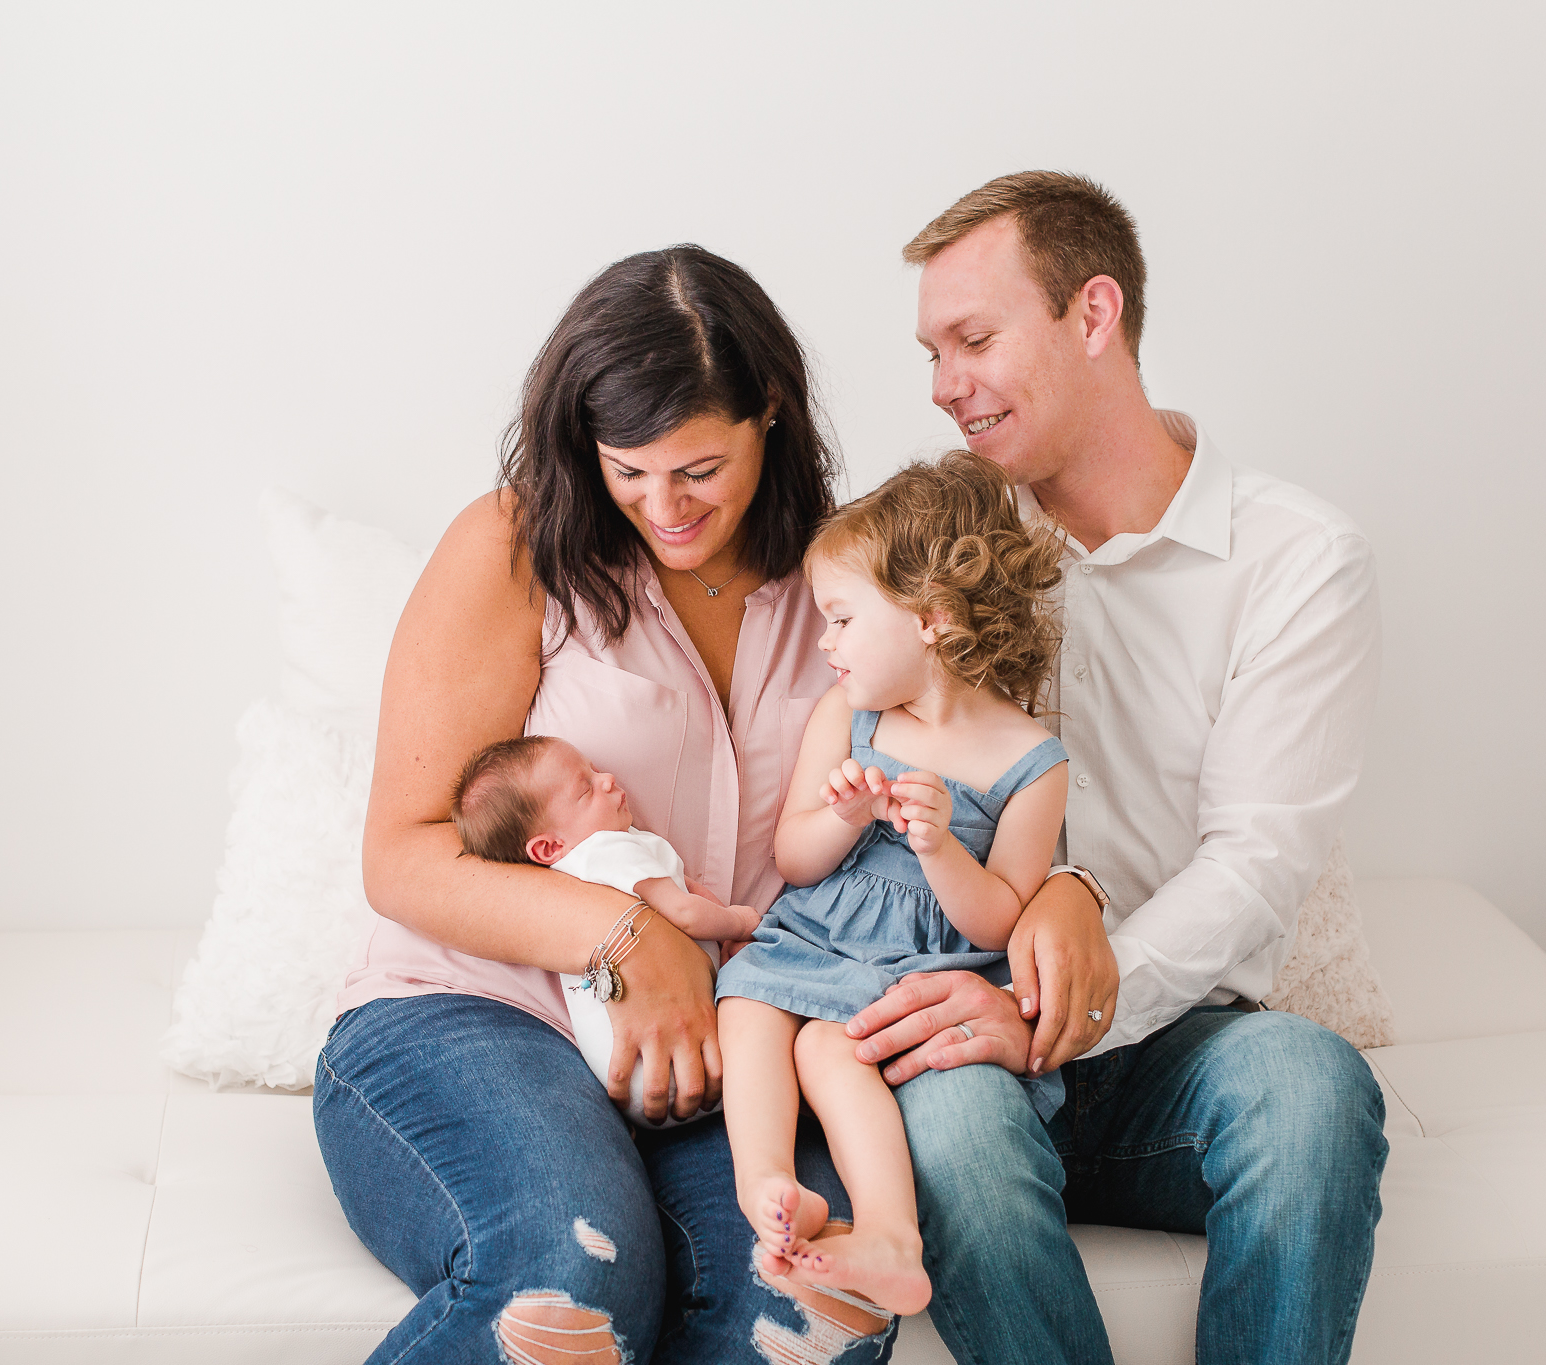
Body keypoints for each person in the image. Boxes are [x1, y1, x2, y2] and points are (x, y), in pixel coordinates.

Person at [316, 244, 1122, 1365]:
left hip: (734, 1055)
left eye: (696, 468)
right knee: (572, 1276)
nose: (661, 505)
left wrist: (1062, 892)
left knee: (804, 1307)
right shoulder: (512, 547)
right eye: (627, 470)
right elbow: (402, 858)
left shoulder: (855, 581)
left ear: (770, 419)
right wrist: (626, 935)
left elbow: (984, 773)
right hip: (478, 1016)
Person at [843, 171, 1390, 1363]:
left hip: (1171, 1043)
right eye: (930, 353)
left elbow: (1255, 862)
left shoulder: (1293, 562)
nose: (943, 388)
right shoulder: (935, 551)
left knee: (1309, 1091)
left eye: (973, 340)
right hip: (961, 1036)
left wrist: (1071, 983)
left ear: (1093, 316)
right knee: (951, 1136)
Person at [714, 452, 1072, 1318]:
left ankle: (888, 1235)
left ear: (931, 620)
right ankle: (767, 1185)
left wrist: (940, 844)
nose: (825, 643)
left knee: (828, 1047)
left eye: (839, 619)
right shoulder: (850, 716)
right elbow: (793, 857)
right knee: (748, 1005)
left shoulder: (1031, 761)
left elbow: (1003, 914)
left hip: (925, 975)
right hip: (817, 940)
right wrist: (844, 815)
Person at [448, 732, 758, 1125]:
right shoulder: (607, 851)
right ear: (547, 847)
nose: (608, 779)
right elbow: (686, 911)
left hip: (634, 1085)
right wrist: (741, 922)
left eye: (594, 770)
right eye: (585, 789)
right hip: (686, 1059)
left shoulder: (569, 878)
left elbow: (685, 888)